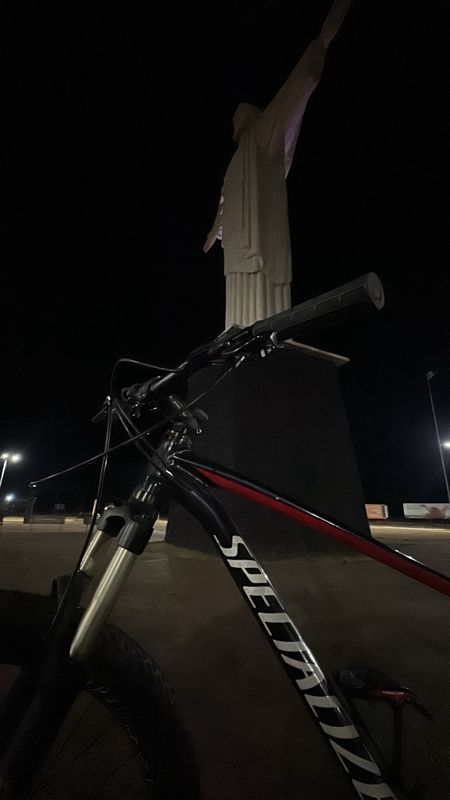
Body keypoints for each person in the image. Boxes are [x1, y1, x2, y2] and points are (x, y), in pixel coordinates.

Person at [203, 0, 352, 329]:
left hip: (261, 238)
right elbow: (225, 202)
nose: (236, 122)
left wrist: (321, 45)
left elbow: (295, 89)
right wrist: (217, 229)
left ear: (250, 117)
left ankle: (265, 333)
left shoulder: (263, 135)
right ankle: (237, 334)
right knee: (239, 300)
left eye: (240, 115)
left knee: (263, 298)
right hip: (238, 247)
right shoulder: (234, 162)